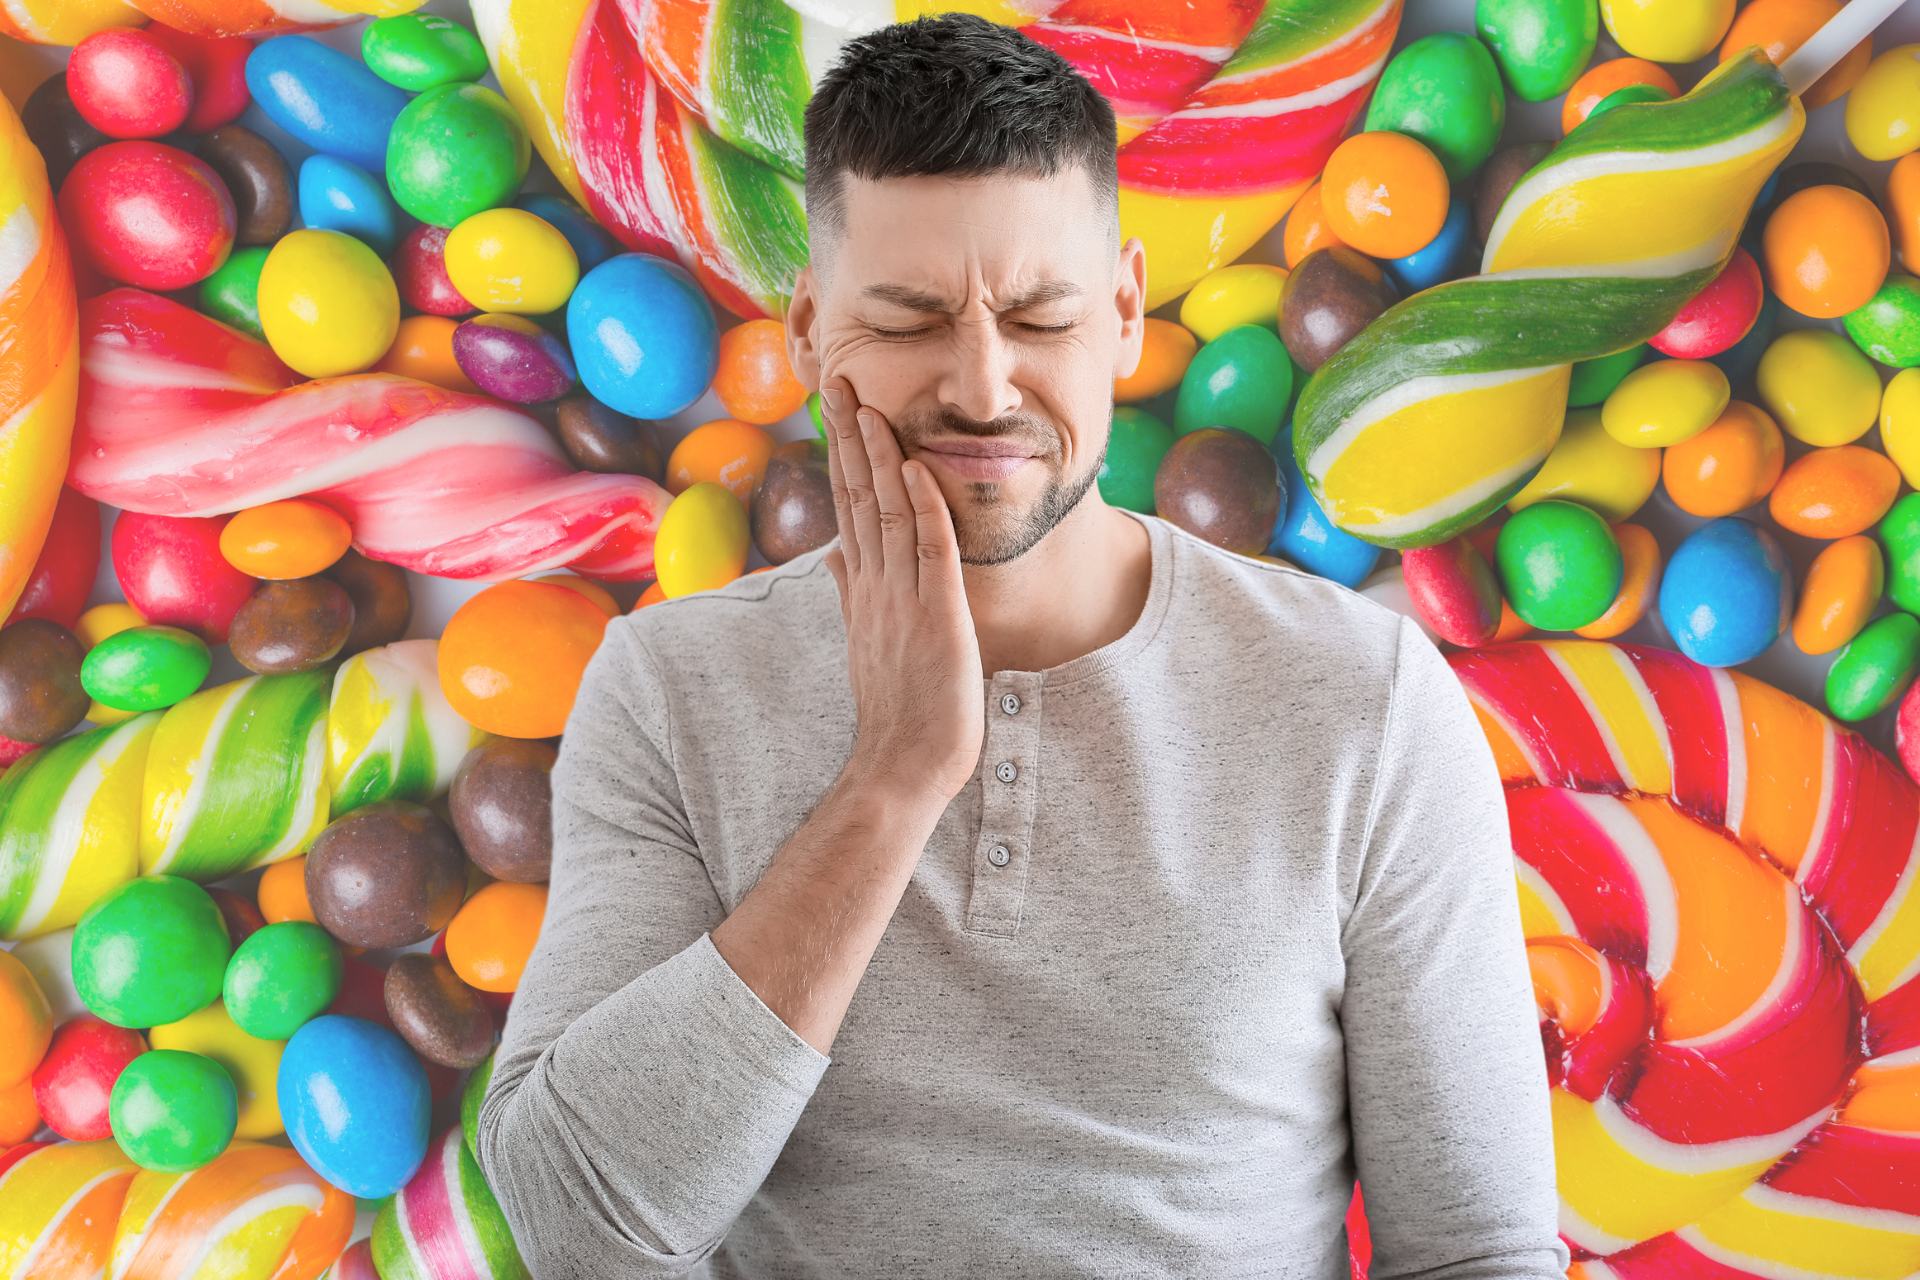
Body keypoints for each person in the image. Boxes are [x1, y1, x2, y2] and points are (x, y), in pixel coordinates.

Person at [476, 14, 1566, 1278]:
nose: (984, 386)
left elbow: (1476, 1252)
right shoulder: (668, 692)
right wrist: (895, 771)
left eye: (1041, 315)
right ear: (808, 330)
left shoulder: (1365, 701)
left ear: (1123, 315)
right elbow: (575, 1224)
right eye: (909, 319)